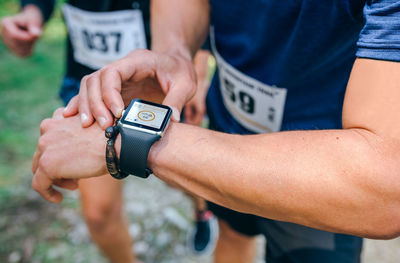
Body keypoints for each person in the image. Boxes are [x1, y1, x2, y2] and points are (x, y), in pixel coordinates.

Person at [32, 0, 400, 262]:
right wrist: (175, 53)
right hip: (227, 128)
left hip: (320, 169)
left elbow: (384, 186)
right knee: (233, 234)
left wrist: (126, 141)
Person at [1, 0, 217, 261]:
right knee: (99, 215)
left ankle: (201, 209)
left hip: (157, 83)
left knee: (179, 172)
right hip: (90, 89)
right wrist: (33, 11)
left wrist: (198, 72)